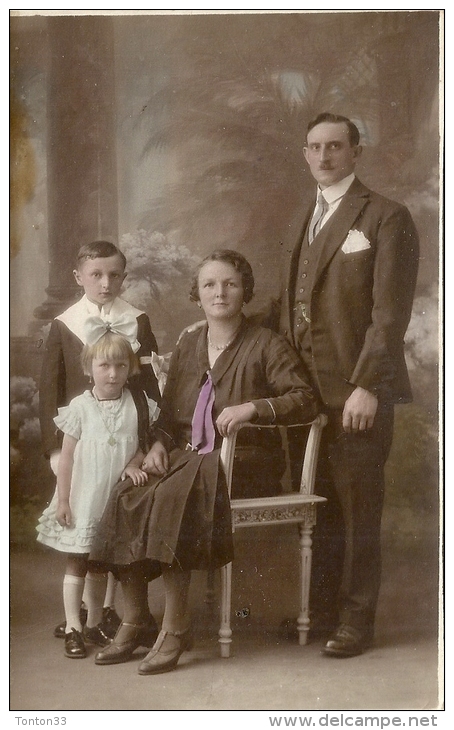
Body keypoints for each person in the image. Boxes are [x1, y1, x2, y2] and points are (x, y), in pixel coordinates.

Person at [89, 249, 317, 674]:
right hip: (192, 460)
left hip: (247, 464)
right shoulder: (190, 341)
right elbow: (173, 413)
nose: (220, 292)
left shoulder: (267, 343)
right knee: (128, 491)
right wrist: (156, 444)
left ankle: (177, 628)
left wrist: (253, 407)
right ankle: (137, 620)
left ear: (245, 290)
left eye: (230, 283)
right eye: (210, 284)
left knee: (176, 492)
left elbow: (304, 400)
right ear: (197, 293)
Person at [275, 112, 420, 657]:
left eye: (335, 146)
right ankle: (324, 610)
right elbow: (291, 305)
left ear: (356, 152)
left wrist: (368, 384)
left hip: (357, 392)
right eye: (314, 147)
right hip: (306, 394)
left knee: (358, 509)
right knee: (323, 506)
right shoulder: (304, 217)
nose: (324, 156)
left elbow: (389, 315)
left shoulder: (386, 216)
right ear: (305, 153)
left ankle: (357, 621)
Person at [38, 240, 161, 640]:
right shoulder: (65, 323)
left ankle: (102, 612)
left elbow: (151, 388)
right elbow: (50, 389)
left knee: (112, 530)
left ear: (123, 277)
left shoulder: (137, 320)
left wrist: (145, 445)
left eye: (113, 275)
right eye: (96, 274)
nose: (105, 283)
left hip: (124, 442)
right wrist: (55, 448)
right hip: (79, 442)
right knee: (86, 530)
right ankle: (82, 618)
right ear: (79, 277)